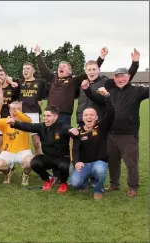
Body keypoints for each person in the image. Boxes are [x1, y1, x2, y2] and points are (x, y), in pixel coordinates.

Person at [87, 68, 148, 198]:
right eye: (117, 77)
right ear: (114, 79)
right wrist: (87, 89)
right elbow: (95, 97)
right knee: (113, 161)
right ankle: (114, 184)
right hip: (110, 134)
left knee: (131, 162)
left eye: (123, 76)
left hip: (128, 134)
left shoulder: (137, 91)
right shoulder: (110, 92)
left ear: (129, 77)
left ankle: (133, 186)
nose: (120, 79)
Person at [10, 105, 79, 193]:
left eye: (48, 116)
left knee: (64, 166)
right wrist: (14, 124)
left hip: (62, 158)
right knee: (34, 162)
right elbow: (29, 126)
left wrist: (73, 131)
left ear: (55, 116)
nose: (45, 118)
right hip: (48, 157)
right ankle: (48, 180)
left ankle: (63, 184)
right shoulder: (42, 126)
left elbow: (69, 129)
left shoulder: (62, 126)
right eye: (44, 116)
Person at [33, 44, 104, 125]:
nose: (61, 67)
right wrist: (38, 53)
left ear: (69, 72)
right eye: (59, 66)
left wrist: (101, 57)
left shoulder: (73, 81)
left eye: (64, 66)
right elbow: (43, 69)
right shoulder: (53, 78)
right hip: (50, 114)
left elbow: (89, 71)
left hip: (64, 115)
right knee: (49, 136)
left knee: (63, 136)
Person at [70, 85, 115, 200]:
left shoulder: (101, 127)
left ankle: (98, 189)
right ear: (82, 118)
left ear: (96, 117)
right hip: (84, 164)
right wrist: (76, 162)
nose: (89, 117)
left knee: (99, 170)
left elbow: (110, 112)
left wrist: (106, 96)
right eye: (86, 115)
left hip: (99, 162)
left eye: (91, 115)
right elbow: (74, 150)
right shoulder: (77, 132)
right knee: (75, 183)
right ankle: (85, 183)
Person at [0, 58, 45, 155]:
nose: (25, 70)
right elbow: (5, 76)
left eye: (28, 69)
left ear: (33, 71)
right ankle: (13, 160)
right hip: (19, 115)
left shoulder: (40, 82)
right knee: (15, 139)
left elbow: (41, 98)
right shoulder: (20, 82)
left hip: (33, 115)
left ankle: (39, 162)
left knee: (37, 142)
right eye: (24, 69)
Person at [0, 101, 33, 185]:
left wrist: (18, 113)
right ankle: (8, 173)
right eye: (13, 109)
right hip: (8, 152)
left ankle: (25, 174)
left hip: (23, 151)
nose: (15, 111)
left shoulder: (25, 121)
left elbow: (29, 120)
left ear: (21, 111)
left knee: (29, 162)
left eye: (18, 109)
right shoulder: (5, 121)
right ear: (9, 111)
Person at [0, 68, 19, 156]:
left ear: (6, 76)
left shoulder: (13, 88)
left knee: (10, 142)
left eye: (1, 75)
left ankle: (10, 163)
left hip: (10, 119)